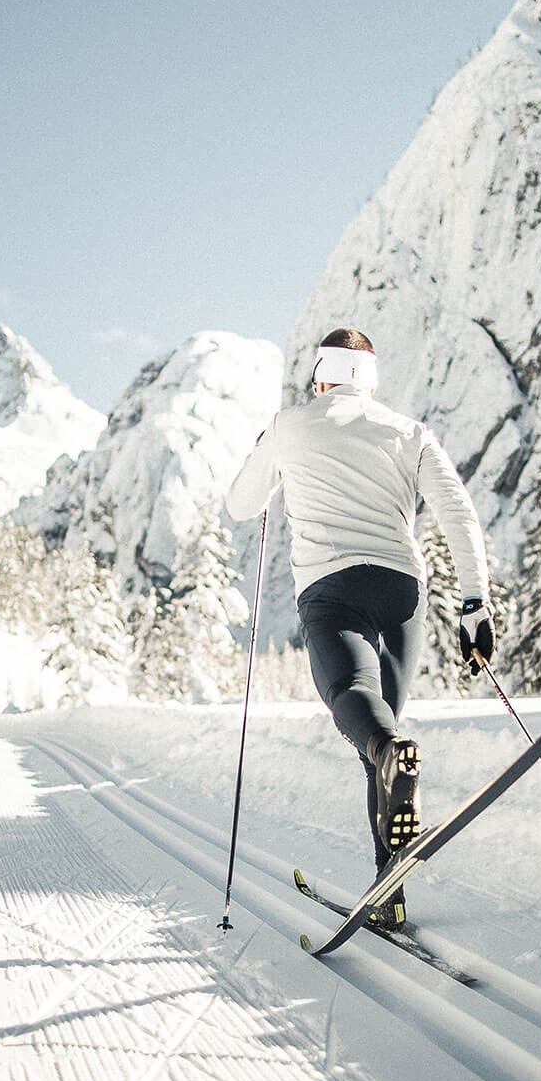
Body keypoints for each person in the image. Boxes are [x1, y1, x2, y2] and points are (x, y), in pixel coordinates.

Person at [225, 327, 494, 927]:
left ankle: (389, 860)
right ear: (371, 379)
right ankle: (388, 890)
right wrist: (475, 604)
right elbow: (457, 512)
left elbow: (241, 504)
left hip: (332, 589)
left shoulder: (291, 423)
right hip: (402, 591)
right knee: (384, 735)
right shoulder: (409, 432)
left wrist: (271, 449)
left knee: (359, 709)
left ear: (321, 374)